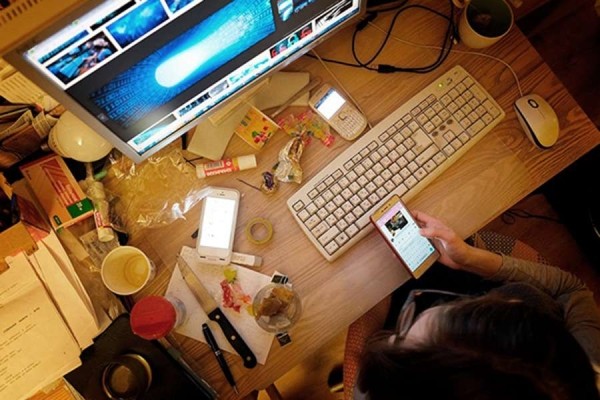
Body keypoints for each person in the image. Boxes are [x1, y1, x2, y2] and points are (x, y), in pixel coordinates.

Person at [355, 211, 600, 400]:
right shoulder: (578, 368)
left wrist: (376, 289)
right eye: (465, 306)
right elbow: (570, 288)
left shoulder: (381, 388)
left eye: (402, 337)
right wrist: (469, 258)